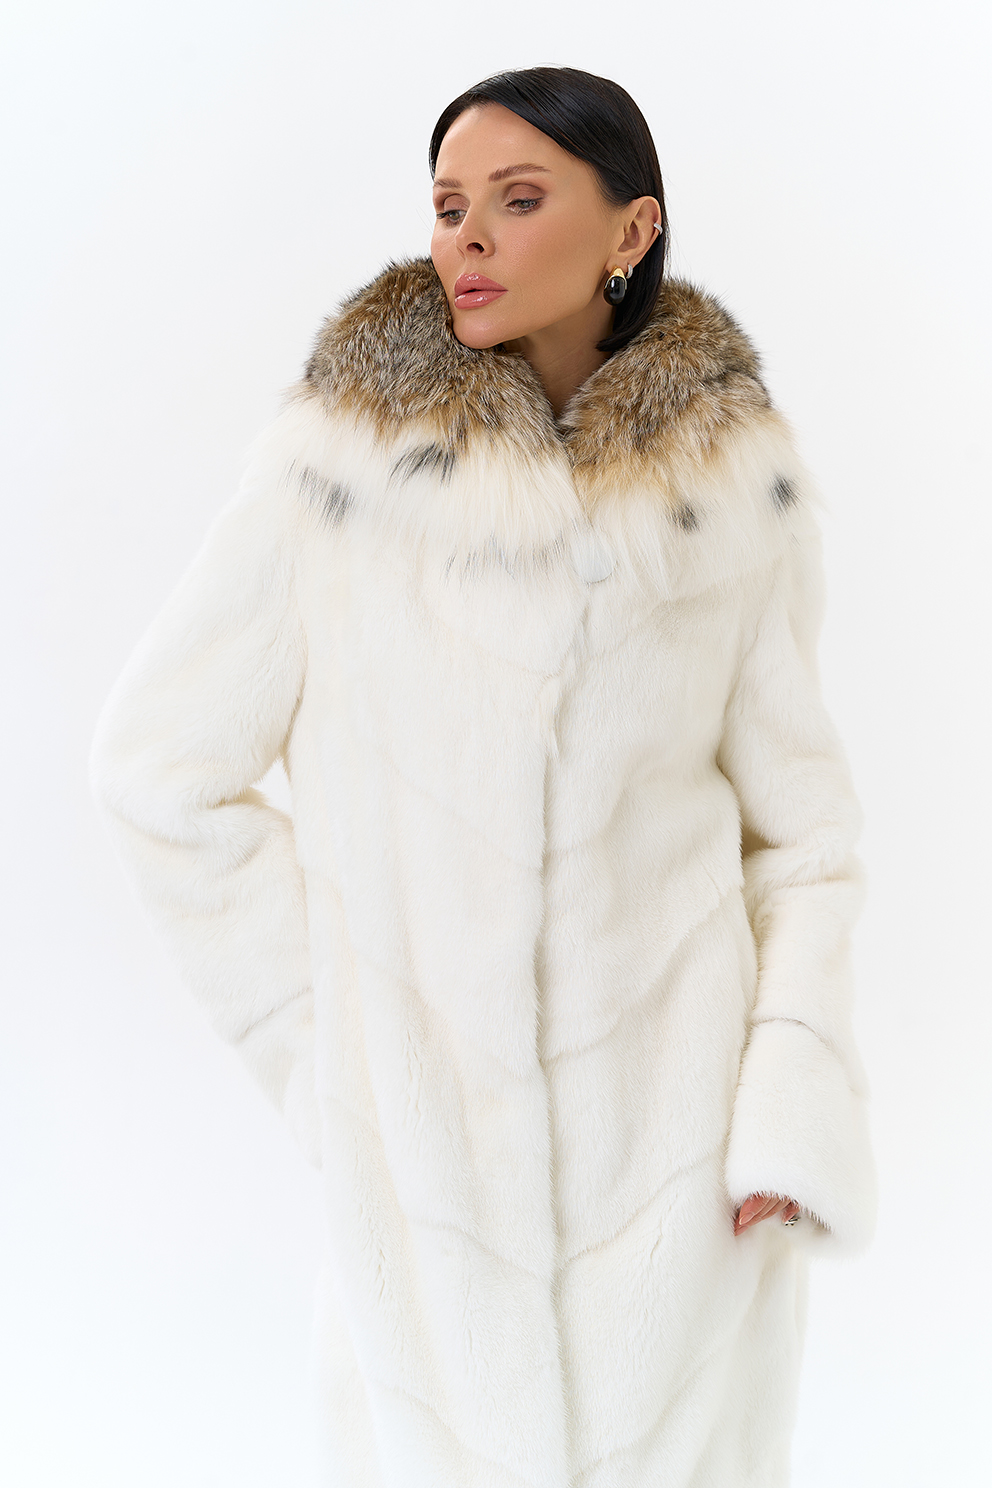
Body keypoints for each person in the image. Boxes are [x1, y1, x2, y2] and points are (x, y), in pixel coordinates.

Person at [91, 65, 875, 1488]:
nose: (470, 238)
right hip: (425, 1191)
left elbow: (806, 840)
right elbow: (162, 774)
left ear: (631, 229)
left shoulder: (729, 496)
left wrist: (782, 1111)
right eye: (451, 205)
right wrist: (336, 1052)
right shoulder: (337, 475)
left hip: (683, 1179)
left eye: (519, 201)